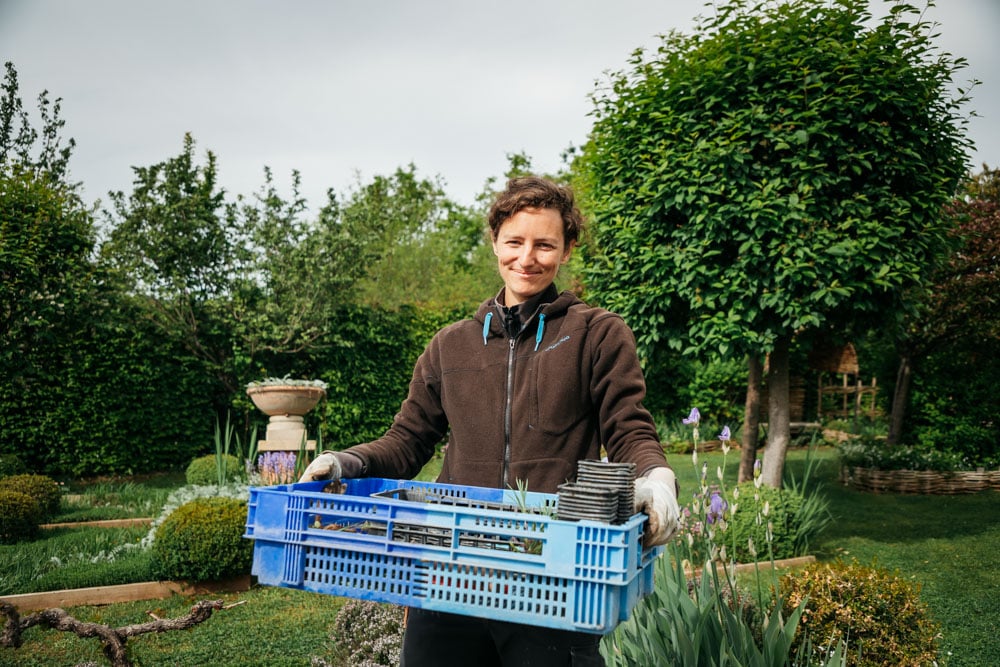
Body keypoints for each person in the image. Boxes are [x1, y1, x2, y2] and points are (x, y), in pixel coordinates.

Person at [300, 176, 680, 666]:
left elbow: (628, 429)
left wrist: (658, 479)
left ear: (566, 250)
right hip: (447, 574)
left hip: (553, 576)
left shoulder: (597, 334)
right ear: (495, 242)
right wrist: (342, 462)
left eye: (545, 244)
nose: (528, 258)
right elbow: (407, 441)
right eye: (515, 242)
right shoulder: (450, 345)